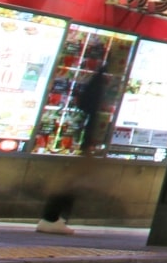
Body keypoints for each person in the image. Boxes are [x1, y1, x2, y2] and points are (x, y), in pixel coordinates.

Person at [37, 61, 112, 234]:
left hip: (82, 141)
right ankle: (52, 218)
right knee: (70, 182)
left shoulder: (97, 81)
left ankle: (55, 218)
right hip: (83, 142)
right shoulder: (100, 84)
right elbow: (92, 113)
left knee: (72, 181)